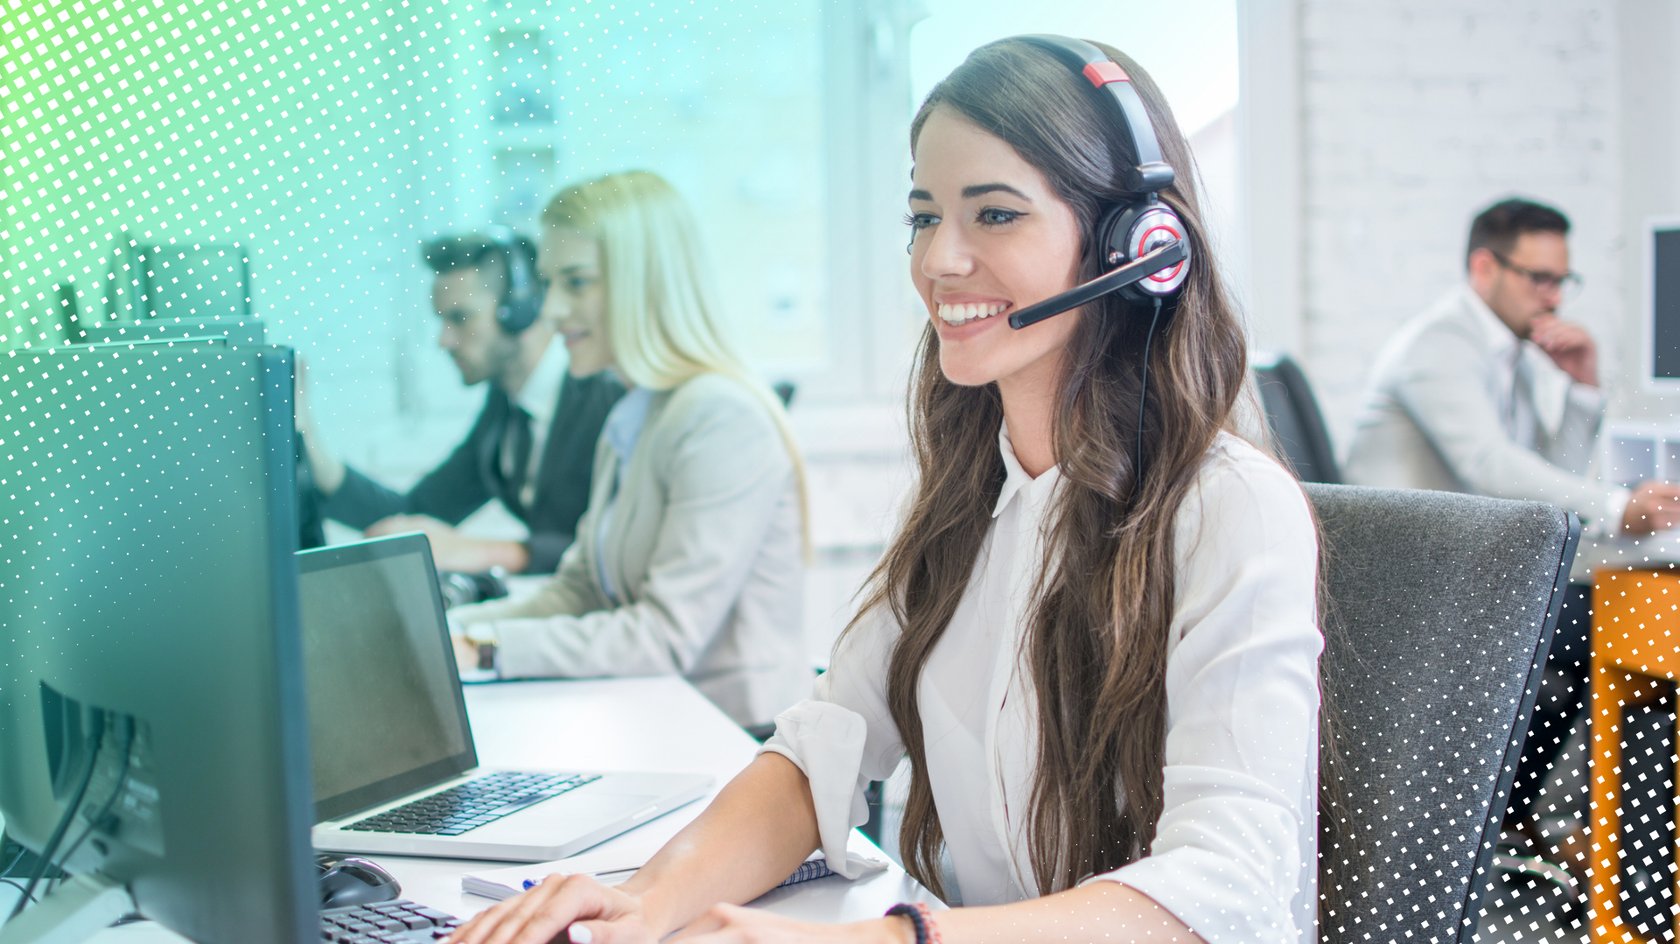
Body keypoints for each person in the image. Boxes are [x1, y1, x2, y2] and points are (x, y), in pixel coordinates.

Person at [449, 36, 1322, 944]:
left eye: (994, 215)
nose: (940, 260)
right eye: (923, 216)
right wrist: (645, 903)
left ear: (1137, 249)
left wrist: (895, 938)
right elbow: (823, 748)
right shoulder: (966, 499)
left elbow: (1231, 885)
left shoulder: (1230, 511)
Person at [1343, 198, 1680, 881]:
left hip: (1470, 571)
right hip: (1411, 583)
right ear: (1483, 267)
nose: (1553, 297)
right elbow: (1493, 470)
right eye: (1539, 278)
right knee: (1604, 626)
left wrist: (1583, 390)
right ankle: (1599, 850)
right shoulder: (1441, 344)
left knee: (1592, 631)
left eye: (1562, 281)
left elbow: (1545, 475)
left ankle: (1512, 823)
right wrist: (1619, 509)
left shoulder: (1515, 351)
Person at [447, 171, 810, 732]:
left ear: (645, 282)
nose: (552, 310)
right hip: (664, 721)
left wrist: (484, 647)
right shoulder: (635, 414)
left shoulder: (719, 418)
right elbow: (580, 588)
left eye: (577, 282)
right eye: (549, 284)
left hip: (742, 742)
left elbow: (664, 637)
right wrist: (451, 631)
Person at [298, 231, 625, 575]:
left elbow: (619, 549)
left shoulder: (605, 397)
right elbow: (417, 515)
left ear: (520, 311)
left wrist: (482, 551)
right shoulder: (506, 409)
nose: (445, 340)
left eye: (460, 318)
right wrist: (314, 452)